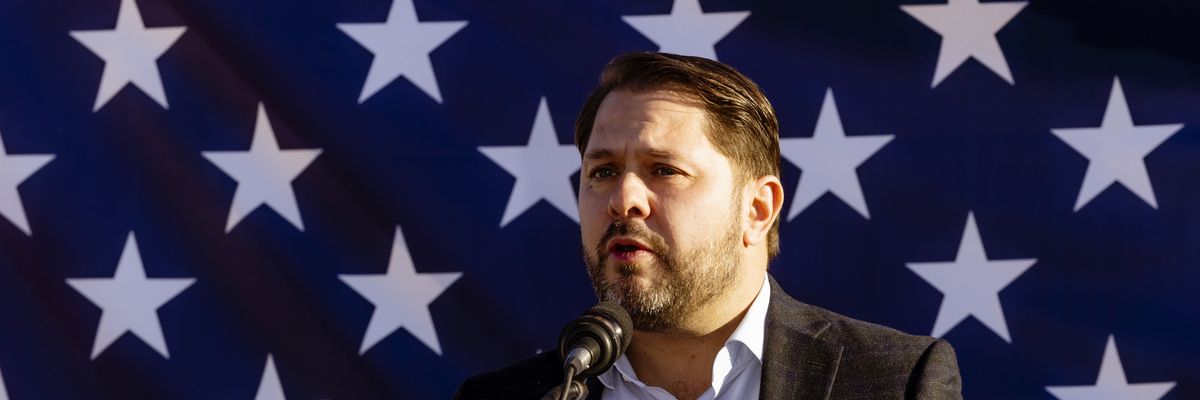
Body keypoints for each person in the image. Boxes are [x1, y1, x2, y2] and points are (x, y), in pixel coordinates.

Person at [456, 52, 962, 400]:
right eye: (603, 172)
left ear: (758, 209)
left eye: (665, 170)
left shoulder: (892, 382)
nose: (623, 200)